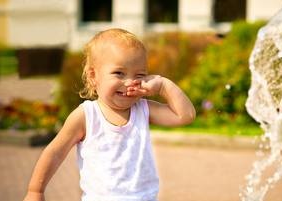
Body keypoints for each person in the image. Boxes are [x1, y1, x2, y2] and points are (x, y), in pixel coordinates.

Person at [22, 28, 196, 201]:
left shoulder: (143, 109)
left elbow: (185, 115)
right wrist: (35, 191)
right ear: (93, 76)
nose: (129, 82)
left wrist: (163, 85)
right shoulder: (86, 116)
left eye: (140, 75)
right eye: (119, 73)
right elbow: (55, 152)